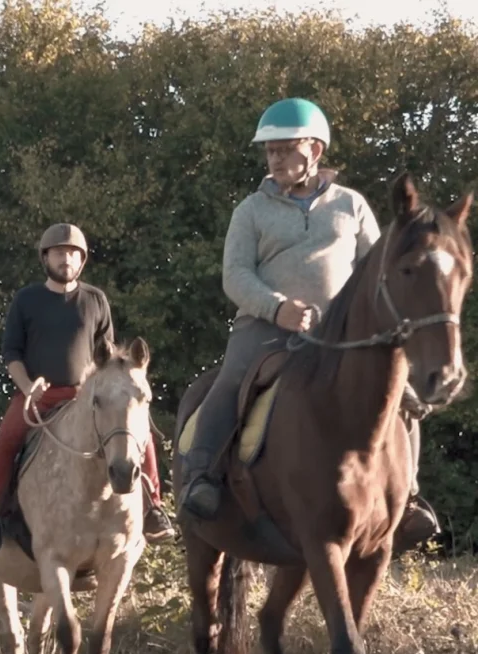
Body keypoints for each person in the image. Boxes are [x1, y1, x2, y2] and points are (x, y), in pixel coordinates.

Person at [178, 97, 438, 545]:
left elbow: (377, 270)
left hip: (340, 335)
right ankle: (202, 478)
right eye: (270, 151)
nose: (274, 158)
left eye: (285, 149)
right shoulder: (250, 210)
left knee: (401, 393)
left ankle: (409, 497)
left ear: (314, 151)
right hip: (263, 327)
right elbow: (235, 275)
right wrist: (277, 307)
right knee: (232, 379)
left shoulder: (352, 206)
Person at [0, 223, 175, 554]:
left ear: (82, 261)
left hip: (86, 396)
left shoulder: (96, 299)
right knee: (5, 442)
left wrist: (105, 389)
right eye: (60, 252)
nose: (67, 258)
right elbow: (11, 352)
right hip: (37, 396)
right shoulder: (27, 299)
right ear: (46, 258)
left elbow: (106, 357)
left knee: (140, 435)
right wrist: (26, 386)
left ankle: (153, 509)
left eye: (74, 253)